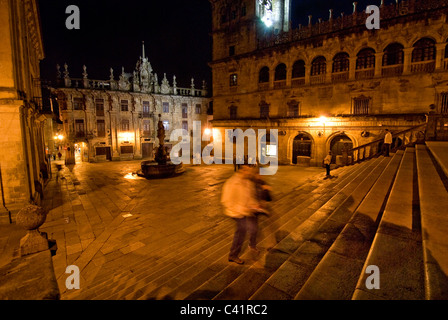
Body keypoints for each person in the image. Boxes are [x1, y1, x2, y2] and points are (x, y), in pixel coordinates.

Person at [221, 164, 266, 264]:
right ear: (242, 170)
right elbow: (226, 201)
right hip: (235, 213)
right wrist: (242, 209)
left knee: (252, 228)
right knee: (241, 231)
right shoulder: (232, 183)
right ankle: (233, 255)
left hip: (245, 211)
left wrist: (255, 205)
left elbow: (249, 197)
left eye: (250, 171)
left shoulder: (247, 182)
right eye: (247, 171)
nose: (249, 173)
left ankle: (249, 246)